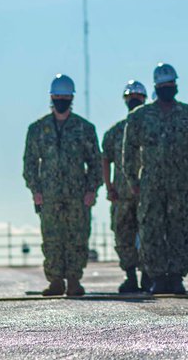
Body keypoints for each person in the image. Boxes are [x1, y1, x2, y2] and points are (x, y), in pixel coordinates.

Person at [123, 63, 188, 295]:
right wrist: (133, 181)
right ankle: (158, 277)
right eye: (163, 85)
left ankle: (177, 277)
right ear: (156, 87)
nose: (167, 88)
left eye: (170, 84)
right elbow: (128, 151)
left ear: (176, 86)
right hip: (151, 186)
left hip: (182, 186)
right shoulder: (140, 117)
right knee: (152, 231)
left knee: (181, 231)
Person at [22, 74, 101, 297]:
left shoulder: (84, 128)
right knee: (52, 238)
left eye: (65, 98)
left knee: (77, 237)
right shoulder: (37, 129)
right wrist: (35, 190)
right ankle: (55, 281)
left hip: (78, 196)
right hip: (49, 196)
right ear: (51, 98)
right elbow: (29, 162)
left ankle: (74, 280)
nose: (61, 101)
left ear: (71, 98)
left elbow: (95, 162)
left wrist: (91, 190)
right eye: (57, 97)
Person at [103, 80, 148, 293]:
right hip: (122, 194)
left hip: (147, 193)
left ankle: (148, 275)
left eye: (138, 97)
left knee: (149, 234)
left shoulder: (151, 126)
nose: (134, 101)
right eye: (130, 97)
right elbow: (105, 159)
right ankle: (130, 275)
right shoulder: (115, 132)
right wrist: (109, 186)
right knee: (123, 235)